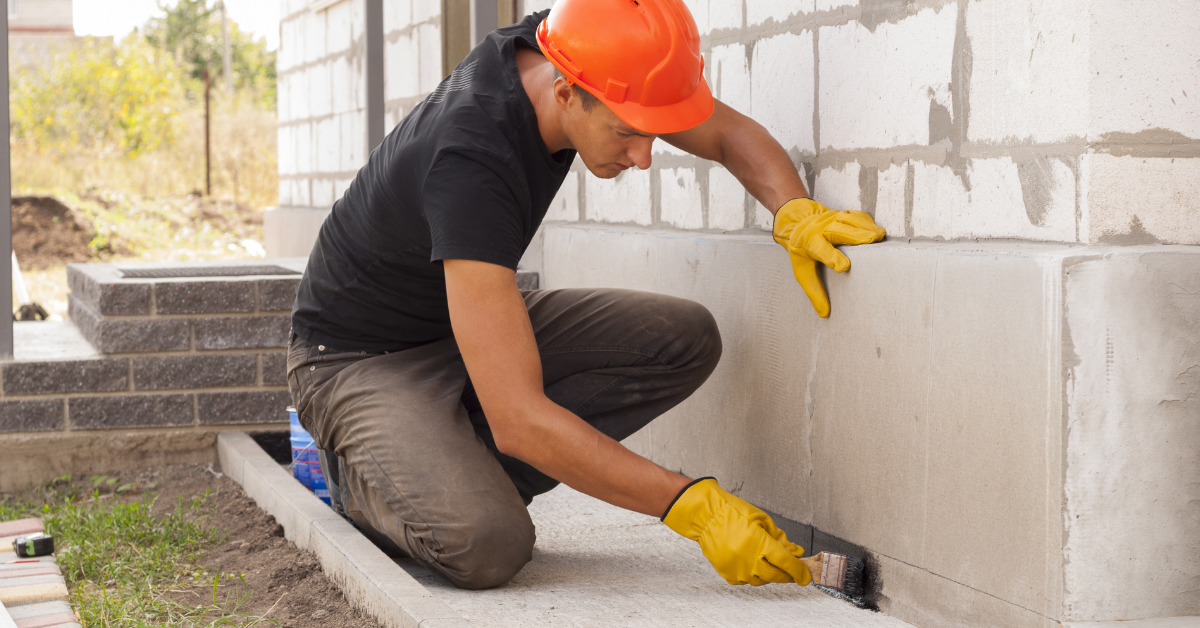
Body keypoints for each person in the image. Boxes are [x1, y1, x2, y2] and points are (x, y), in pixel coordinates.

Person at [286, 0, 885, 592]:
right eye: (627, 133)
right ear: (566, 92)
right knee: (487, 545)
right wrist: (691, 508)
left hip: (457, 324)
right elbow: (519, 422)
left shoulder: (583, 49)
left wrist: (795, 212)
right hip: (356, 360)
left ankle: (453, 464)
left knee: (680, 339)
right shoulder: (471, 162)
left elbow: (724, 133)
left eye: (652, 134)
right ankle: (370, 482)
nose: (644, 157)